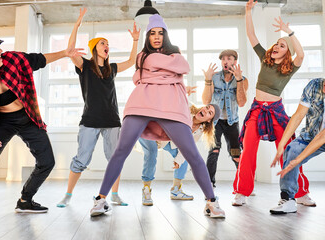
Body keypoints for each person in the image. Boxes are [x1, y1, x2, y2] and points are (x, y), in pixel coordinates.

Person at [89, 14, 225, 218]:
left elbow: (182, 67)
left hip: (171, 106)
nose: (157, 37)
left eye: (160, 33)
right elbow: (144, 73)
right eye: (152, 33)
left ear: (166, 35)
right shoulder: (143, 55)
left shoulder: (176, 53)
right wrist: (167, 73)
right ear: (147, 36)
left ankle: (211, 202)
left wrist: (157, 72)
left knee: (192, 155)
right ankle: (100, 199)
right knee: (121, 150)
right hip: (141, 103)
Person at [0, 29, 84, 235]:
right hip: (1, 122)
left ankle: (25, 200)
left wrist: (65, 53)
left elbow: (39, 59)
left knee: (47, 161)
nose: (0, 51)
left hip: (28, 116)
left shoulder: (12, 60)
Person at [57, 9, 140, 208]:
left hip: (112, 121)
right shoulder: (84, 66)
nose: (107, 46)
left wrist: (135, 41)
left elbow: (131, 61)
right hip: (90, 120)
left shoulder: (111, 69)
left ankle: (115, 194)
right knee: (81, 159)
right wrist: (77, 24)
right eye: (103, 43)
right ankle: (68, 195)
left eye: (108, 44)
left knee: (115, 159)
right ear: (95, 48)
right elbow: (70, 50)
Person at [232, 0, 311, 206]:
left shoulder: (290, 68)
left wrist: (289, 32)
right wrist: (248, 11)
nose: (276, 46)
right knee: (248, 150)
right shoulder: (265, 59)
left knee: (289, 151)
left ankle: (300, 192)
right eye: (277, 43)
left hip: (277, 112)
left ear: (287, 52)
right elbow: (251, 36)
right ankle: (242, 191)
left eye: (282, 45)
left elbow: (301, 54)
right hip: (257, 110)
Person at [270, 66, 325, 214]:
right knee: (292, 150)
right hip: (310, 136)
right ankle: (288, 200)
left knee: (296, 157)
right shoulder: (315, 86)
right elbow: (298, 115)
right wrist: (282, 146)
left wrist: (298, 161)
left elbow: (323, 136)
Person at [139, 102, 221, 205]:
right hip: (149, 129)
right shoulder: (187, 109)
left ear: (209, 120)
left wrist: (178, 161)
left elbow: (187, 147)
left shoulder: (199, 130)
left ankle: (176, 190)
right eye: (207, 107)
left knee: (186, 156)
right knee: (152, 152)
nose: (205, 110)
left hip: (166, 140)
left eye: (209, 112)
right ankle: (146, 189)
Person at [202, 49, 248, 189]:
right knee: (214, 151)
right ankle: (209, 183)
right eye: (223, 59)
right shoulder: (214, 78)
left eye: (229, 58)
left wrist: (239, 80)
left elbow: (241, 103)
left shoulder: (243, 80)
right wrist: (208, 80)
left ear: (235, 61)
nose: (225, 61)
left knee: (236, 153)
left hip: (232, 121)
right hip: (215, 121)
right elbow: (206, 100)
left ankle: (244, 184)